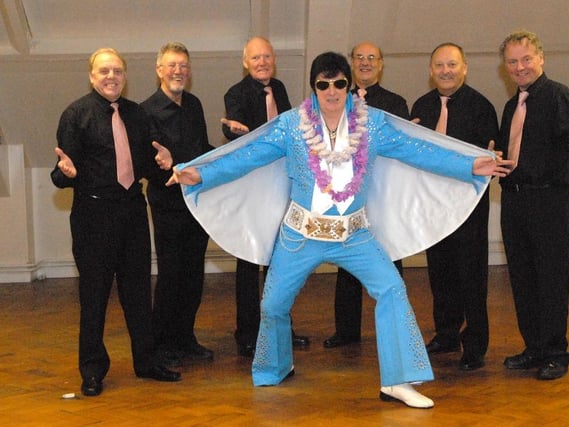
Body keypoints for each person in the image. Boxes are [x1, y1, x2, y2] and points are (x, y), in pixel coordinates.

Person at [168, 51, 513, 408]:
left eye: (339, 83)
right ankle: (275, 366)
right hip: (299, 235)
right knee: (272, 304)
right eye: (323, 84)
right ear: (313, 87)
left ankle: (398, 380)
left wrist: (470, 164)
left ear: (348, 86)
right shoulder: (291, 125)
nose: (331, 91)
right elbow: (247, 155)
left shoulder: (373, 124)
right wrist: (201, 174)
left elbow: (420, 150)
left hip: (354, 235)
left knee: (393, 289)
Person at [51, 47, 181, 397]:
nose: (112, 77)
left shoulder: (137, 115)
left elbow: (147, 166)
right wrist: (66, 173)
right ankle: (92, 370)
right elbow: (61, 173)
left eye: (118, 71)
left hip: (133, 212)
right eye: (104, 71)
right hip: (93, 216)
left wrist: (166, 163)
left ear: (125, 76)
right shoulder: (76, 114)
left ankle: (147, 361)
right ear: (92, 76)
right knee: (94, 297)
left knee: (138, 293)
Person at [496, 30, 569, 380]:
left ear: (541, 58)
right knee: (523, 278)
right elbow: (508, 148)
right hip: (513, 201)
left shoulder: (559, 95)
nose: (520, 67)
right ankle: (534, 349)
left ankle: (556, 353)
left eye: (526, 59)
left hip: (549, 202)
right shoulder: (512, 105)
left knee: (551, 279)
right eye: (512, 62)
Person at [410, 42, 498, 371]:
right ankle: (446, 334)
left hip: (469, 207)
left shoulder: (481, 107)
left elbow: (488, 156)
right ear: (431, 70)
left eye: (452, 65)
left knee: (471, 276)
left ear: (465, 68)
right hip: (433, 206)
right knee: (440, 272)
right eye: (439, 65)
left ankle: (474, 345)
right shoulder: (421, 106)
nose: (446, 71)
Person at [221, 36, 309, 357]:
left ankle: (281, 328)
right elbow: (234, 128)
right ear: (246, 62)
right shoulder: (236, 93)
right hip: (254, 188)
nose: (262, 63)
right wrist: (234, 131)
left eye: (267, 57)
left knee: (282, 263)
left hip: (282, 186)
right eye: (256, 58)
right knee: (248, 261)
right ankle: (247, 332)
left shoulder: (281, 88)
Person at [323, 41, 408, 349]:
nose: (366, 63)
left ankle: (395, 329)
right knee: (347, 262)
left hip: (383, 191)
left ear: (381, 64)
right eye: (360, 58)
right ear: (351, 64)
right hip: (348, 194)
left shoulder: (396, 104)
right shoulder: (334, 100)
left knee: (389, 259)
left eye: (372, 58)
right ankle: (346, 331)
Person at [141, 42, 213, 367]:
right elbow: (148, 162)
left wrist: (238, 150)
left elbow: (203, 149)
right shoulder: (146, 111)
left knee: (193, 275)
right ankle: (162, 343)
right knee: (171, 276)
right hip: (168, 205)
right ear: (159, 70)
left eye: (183, 65)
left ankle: (186, 338)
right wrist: (170, 163)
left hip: (196, 204)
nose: (178, 71)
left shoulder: (195, 105)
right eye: (172, 65)